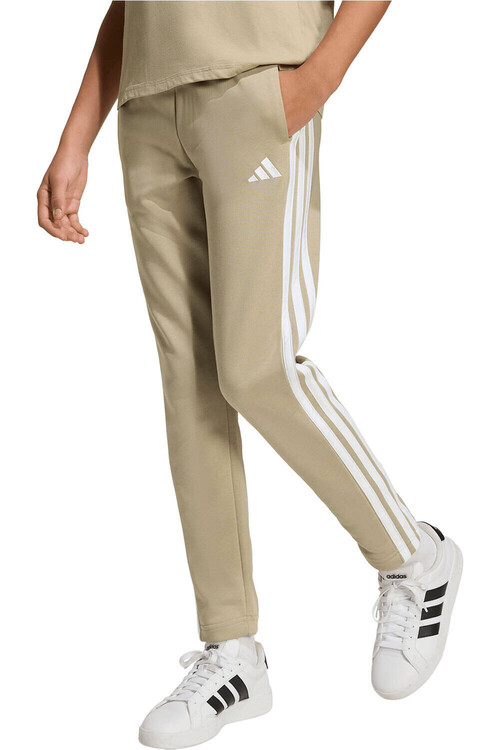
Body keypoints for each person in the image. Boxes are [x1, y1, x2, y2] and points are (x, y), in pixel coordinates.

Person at [37, 2, 462, 747]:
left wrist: (314, 81)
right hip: (147, 108)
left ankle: (414, 556)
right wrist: (79, 134)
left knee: (255, 368)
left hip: (255, 87)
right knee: (190, 385)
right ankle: (232, 650)